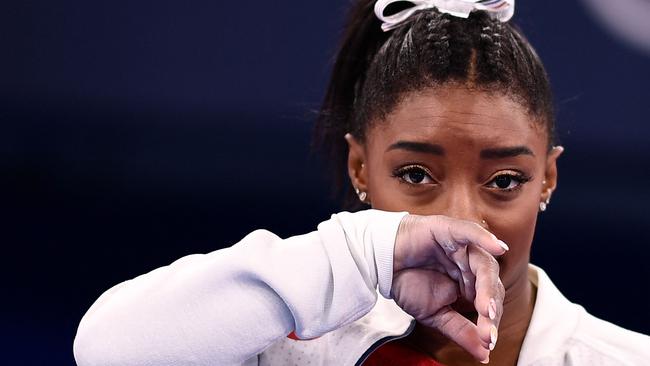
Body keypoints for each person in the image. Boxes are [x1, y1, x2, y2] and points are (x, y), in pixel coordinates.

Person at [73, 0, 650, 365]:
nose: (459, 220)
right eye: (416, 174)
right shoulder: (285, 339)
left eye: (503, 180)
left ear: (547, 178)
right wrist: (356, 255)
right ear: (359, 170)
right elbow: (104, 349)